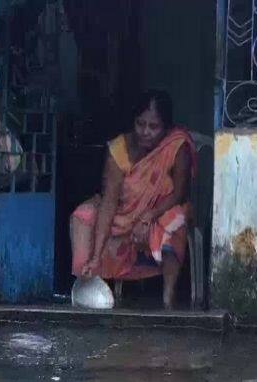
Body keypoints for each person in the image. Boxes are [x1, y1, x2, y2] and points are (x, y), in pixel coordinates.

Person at [70, 90, 197, 310]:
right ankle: (89, 280)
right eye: (140, 124)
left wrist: (149, 215)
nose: (145, 132)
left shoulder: (177, 145)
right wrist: (97, 255)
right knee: (83, 216)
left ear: (166, 128)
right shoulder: (119, 150)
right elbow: (109, 201)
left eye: (153, 126)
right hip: (122, 213)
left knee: (174, 219)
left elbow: (179, 193)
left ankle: (168, 297)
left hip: (162, 209)